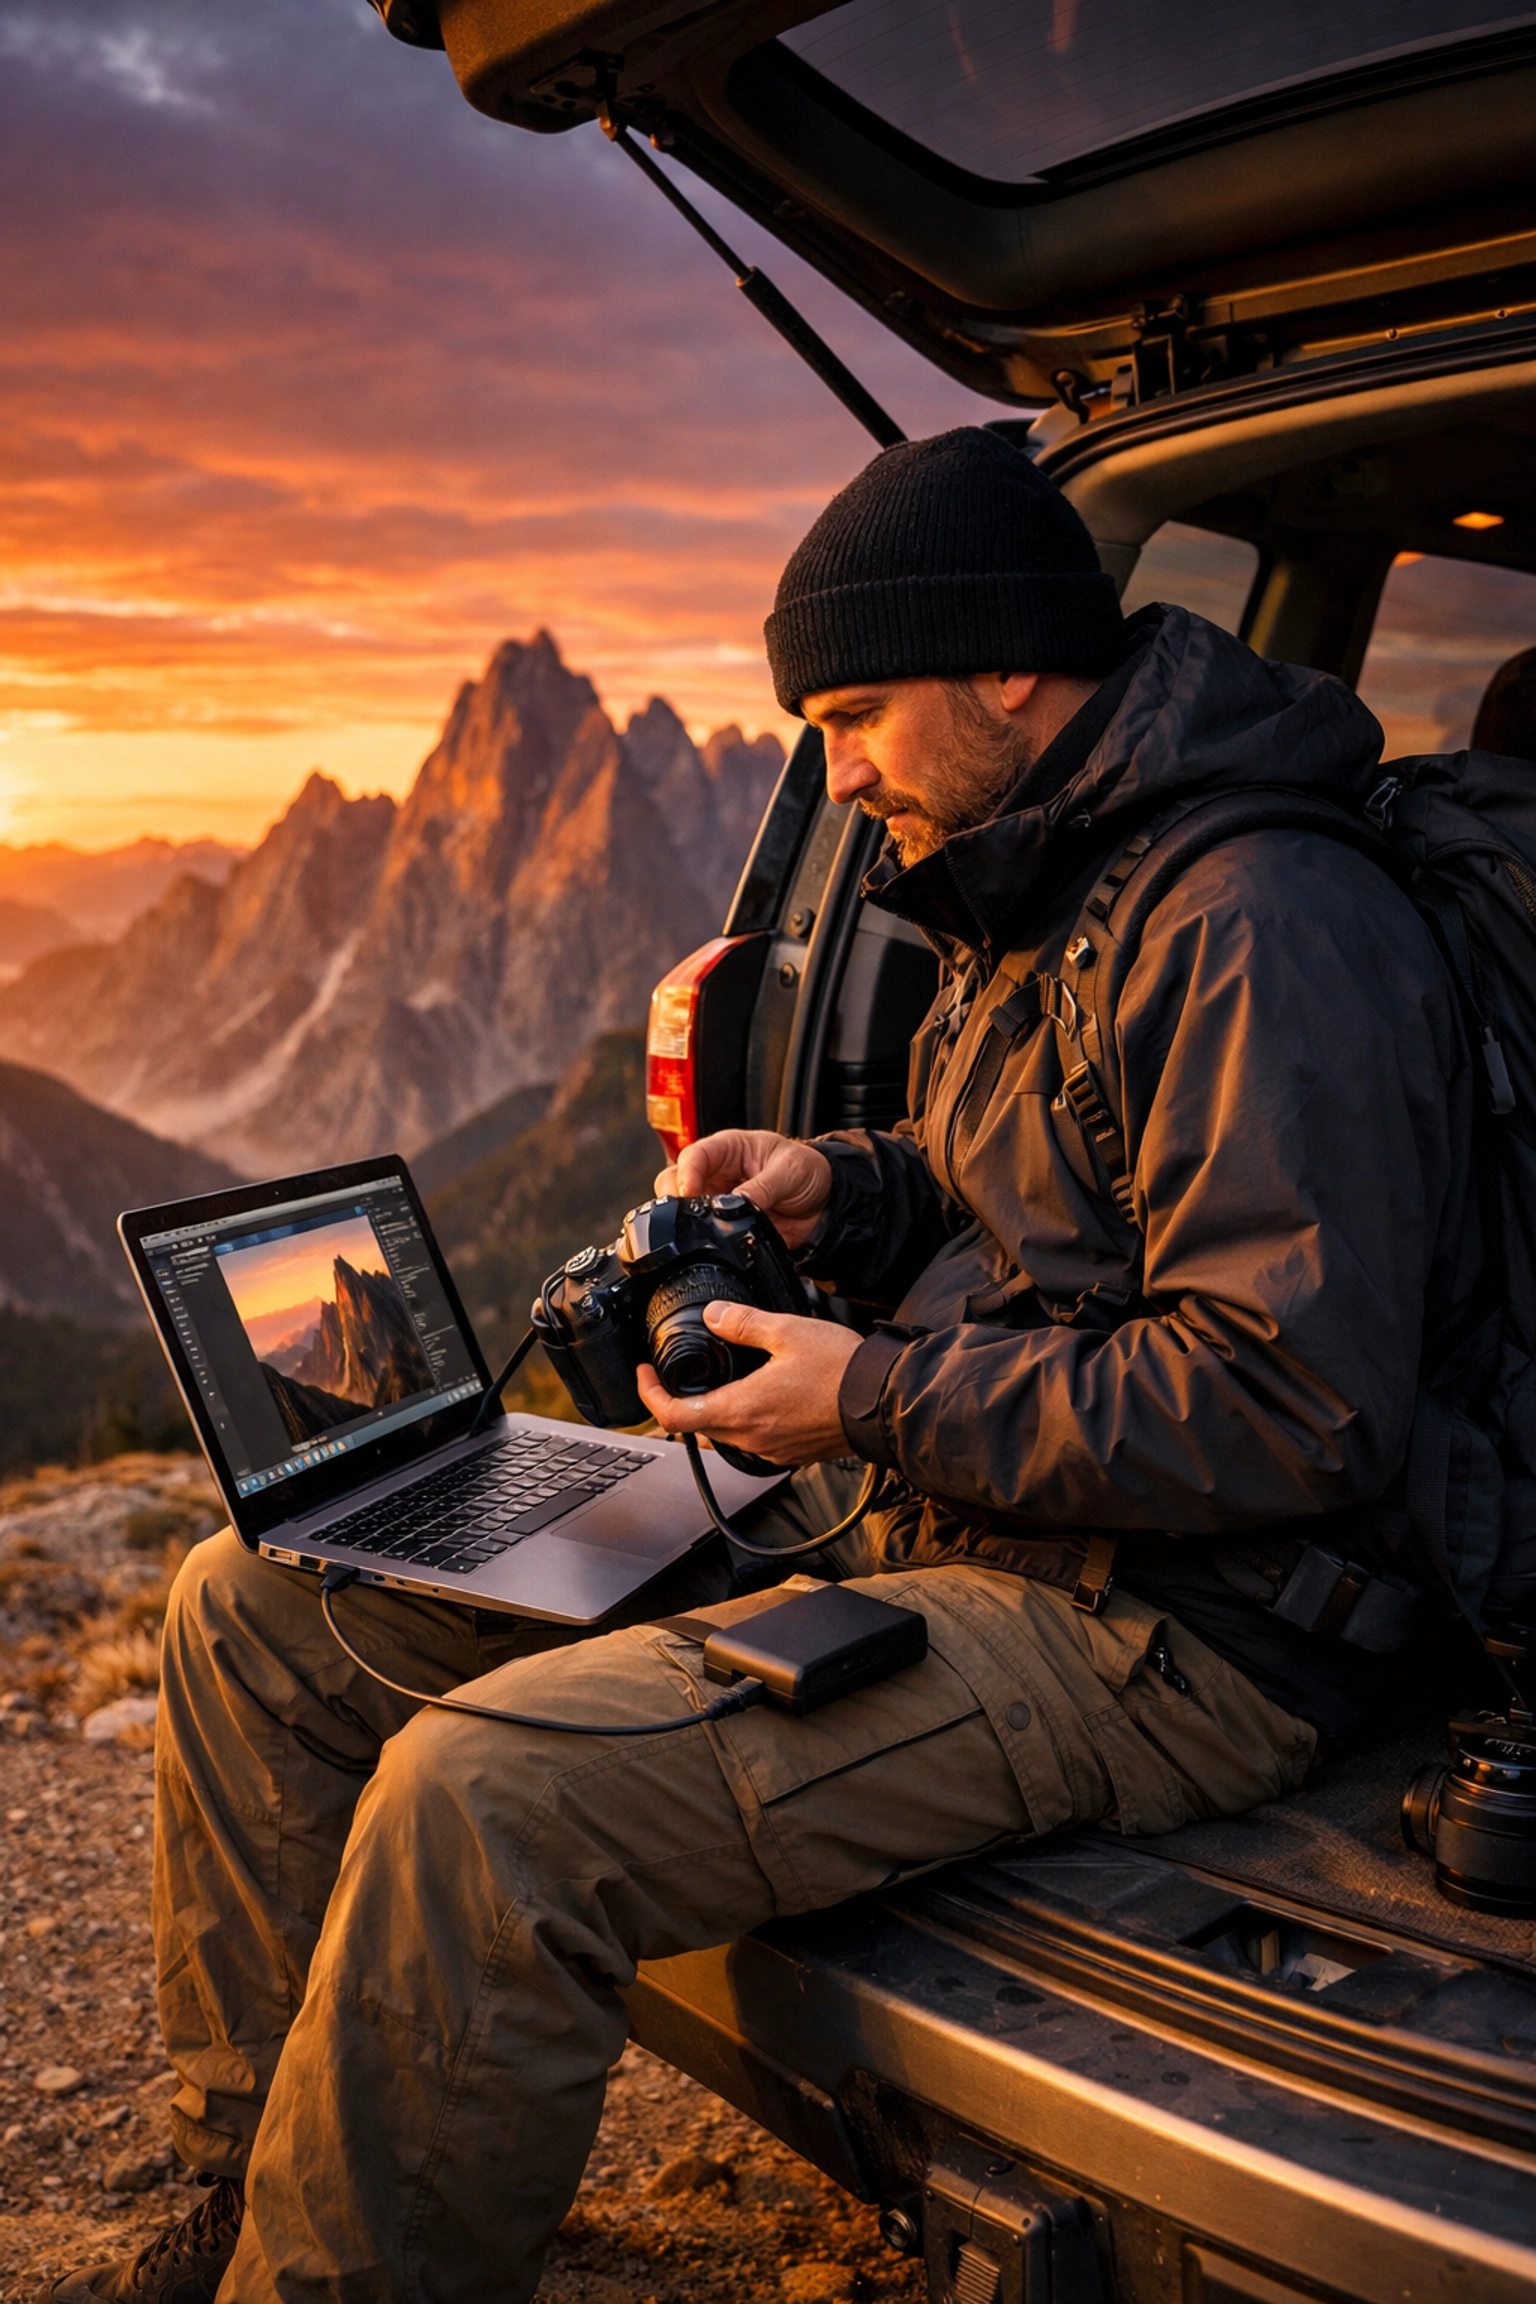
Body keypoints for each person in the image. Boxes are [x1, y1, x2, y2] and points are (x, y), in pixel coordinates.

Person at [44, 428, 1478, 2304]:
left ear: (1010, 665)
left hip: (1178, 1626)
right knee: (256, 1603)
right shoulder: (1051, 874)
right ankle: (249, 2189)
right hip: (960, 1503)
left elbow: (1293, 1400)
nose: (839, 766)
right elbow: (1050, 1193)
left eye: (860, 712)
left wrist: (863, 1396)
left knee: (485, 1799)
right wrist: (848, 1189)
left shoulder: (1255, 923)